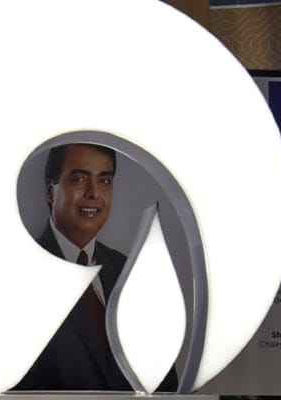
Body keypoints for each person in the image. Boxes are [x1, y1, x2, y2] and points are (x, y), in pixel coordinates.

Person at [14, 143, 178, 392]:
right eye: (79, 179)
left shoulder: (130, 272)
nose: (94, 193)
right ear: (50, 191)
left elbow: (165, 384)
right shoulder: (19, 278)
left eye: (104, 181)